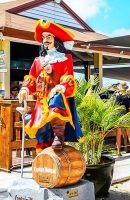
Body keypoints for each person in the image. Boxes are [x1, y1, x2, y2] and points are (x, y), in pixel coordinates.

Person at [18, 20, 82, 151]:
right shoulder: (38, 60)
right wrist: (25, 89)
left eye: (49, 37)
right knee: (42, 131)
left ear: (55, 39)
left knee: (56, 105)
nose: (45, 40)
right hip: (41, 101)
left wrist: (60, 86)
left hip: (56, 97)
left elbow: (68, 78)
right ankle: (44, 151)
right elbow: (31, 78)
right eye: (43, 37)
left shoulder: (65, 58)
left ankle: (59, 137)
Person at [114, 82, 130, 157]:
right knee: (129, 134)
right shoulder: (128, 96)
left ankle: (118, 152)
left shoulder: (117, 95)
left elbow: (114, 107)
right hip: (127, 115)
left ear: (120, 87)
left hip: (119, 116)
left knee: (118, 134)